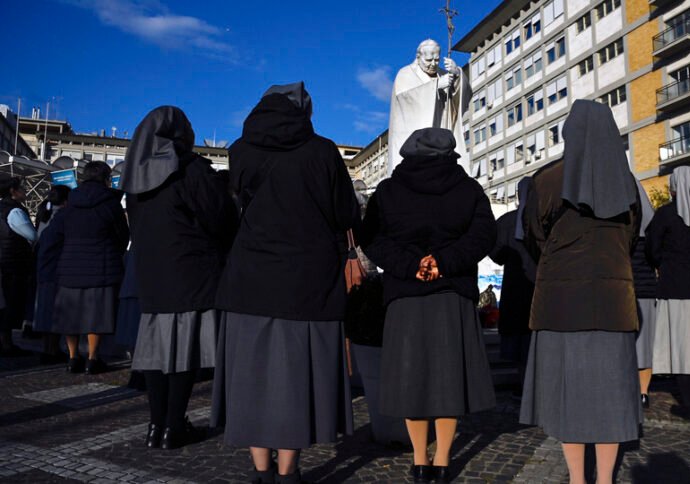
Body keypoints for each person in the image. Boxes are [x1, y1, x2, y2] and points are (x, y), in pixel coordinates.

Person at [212, 83, 359, 484]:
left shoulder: (240, 149)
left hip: (250, 280)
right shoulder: (323, 150)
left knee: (253, 380)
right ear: (305, 111)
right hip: (308, 281)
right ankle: (288, 472)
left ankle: (261, 471)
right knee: (295, 380)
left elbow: (236, 206)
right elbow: (347, 211)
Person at [361, 127, 496, 483]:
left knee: (412, 380)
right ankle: (444, 459)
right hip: (451, 292)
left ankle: (420, 461)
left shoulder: (389, 190)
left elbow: (371, 237)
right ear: (450, 152)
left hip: (406, 294)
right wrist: (444, 262)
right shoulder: (468, 188)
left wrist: (412, 265)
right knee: (448, 381)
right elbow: (483, 235)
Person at [519, 100, 640, 484]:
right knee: (612, 398)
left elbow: (535, 236)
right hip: (612, 302)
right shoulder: (628, 184)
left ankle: (576, 478)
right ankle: (604, 479)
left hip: (560, 303)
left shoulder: (548, 179)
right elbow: (632, 239)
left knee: (568, 398)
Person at [122, 106, 238, 449]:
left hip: (152, 272)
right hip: (191, 270)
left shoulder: (135, 178)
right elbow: (220, 217)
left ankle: (156, 427)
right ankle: (174, 426)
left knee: (157, 354)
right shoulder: (191, 169)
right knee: (184, 353)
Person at [46, 161, 129, 374]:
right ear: (106, 178)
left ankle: (73, 358)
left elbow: (54, 235)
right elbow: (123, 235)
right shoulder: (111, 204)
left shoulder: (70, 204)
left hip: (70, 266)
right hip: (102, 266)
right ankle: (93, 358)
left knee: (70, 316)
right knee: (97, 314)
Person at [646, 166, 690, 421]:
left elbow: (652, 249)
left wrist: (664, 263)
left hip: (674, 289)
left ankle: (689, 405)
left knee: (682, 349)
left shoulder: (666, 215)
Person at [388, 39, 470, 176]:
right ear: (418, 57)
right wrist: (436, 86)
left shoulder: (444, 74)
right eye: (428, 60)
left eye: (436, 60)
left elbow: (461, 99)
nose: (433, 64)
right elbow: (404, 101)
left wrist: (456, 75)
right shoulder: (405, 74)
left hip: (441, 137)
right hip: (418, 144)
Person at [489, 176, 536, 396]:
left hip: (515, 287)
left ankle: (524, 385)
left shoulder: (507, 221)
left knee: (519, 345)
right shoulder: (543, 219)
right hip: (538, 287)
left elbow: (495, 254)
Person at [33, 185, 72, 363]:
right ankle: (53, 350)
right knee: (55, 311)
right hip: (56, 268)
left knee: (44, 309)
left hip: (43, 267)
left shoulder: (43, 214)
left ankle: (47, 348)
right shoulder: (63, 218)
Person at [0, 177, 36, 356]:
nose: (25, 190)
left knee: (4, 304)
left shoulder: (2, 208)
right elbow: (32, 235)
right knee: (12, 304)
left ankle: (4, 341)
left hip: (4, 262)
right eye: (21, 187)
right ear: (13, 191)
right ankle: (7, 344)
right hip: (14, 264)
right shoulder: (15, 211)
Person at [631, 181, 657, 409]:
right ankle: (643, 392)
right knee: (644, 346)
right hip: (646, 289)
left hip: (623, 291)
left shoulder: (617, 231)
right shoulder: (651, 230)